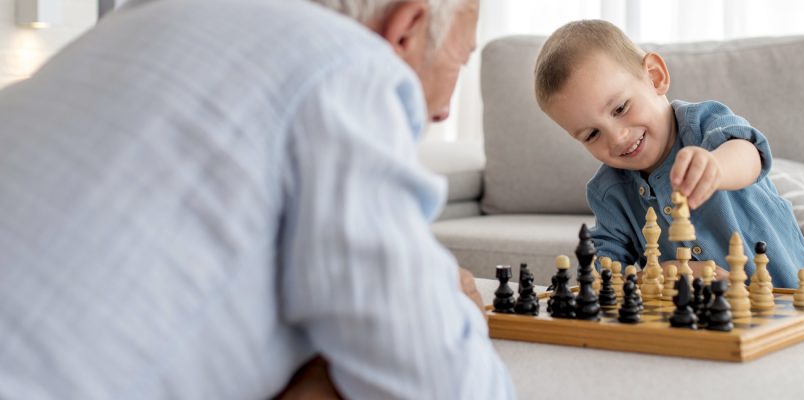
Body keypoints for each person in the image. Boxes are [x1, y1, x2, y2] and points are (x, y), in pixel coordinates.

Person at [0, 0, 513, 398]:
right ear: (406, 28)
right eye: (461, 59)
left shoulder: (144, 19)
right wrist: (454, 310)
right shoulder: (347, 65)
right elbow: (443, 385)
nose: (446, 112)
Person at [533, 20, 804, 289]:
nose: (617, 137)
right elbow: (604, 272)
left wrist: (715, 166)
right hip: (710, 323)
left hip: (792, 298)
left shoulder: (706, 125)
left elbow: (750, 155)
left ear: (655, 77)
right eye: (592, 134)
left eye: (620, 109)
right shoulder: (608, 192)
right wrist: (652, 275)